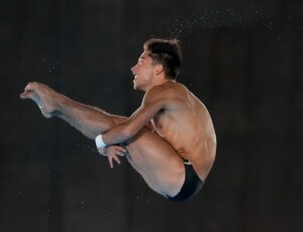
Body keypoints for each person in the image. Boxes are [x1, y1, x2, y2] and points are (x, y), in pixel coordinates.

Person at [20, 38, 216, 201]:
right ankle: (56, 107)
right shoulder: (178, 95)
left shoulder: (162, 91)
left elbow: (127, 131)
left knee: (119, 127)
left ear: (158, 69)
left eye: (141, 62)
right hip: (186, 179)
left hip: (182, 174)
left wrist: (100, 142)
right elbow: (128, 130)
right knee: (118, 126)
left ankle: (56, 104)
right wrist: (108, 140)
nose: (133, 68)